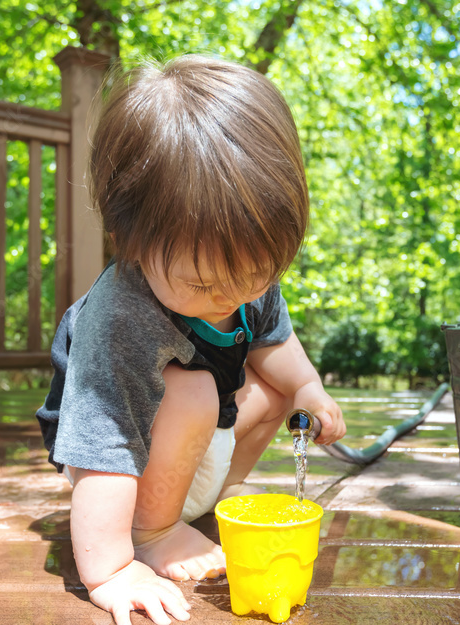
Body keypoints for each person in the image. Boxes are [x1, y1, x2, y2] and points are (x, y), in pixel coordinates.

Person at [36, 54, 346, 625]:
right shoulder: (121, 320)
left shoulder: (246, 271)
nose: (233, 296)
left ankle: (200, 502)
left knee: (273, 391)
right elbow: (102, 444)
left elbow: (275, 341)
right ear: (127, 239)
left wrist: (308, 389)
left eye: (255, 276)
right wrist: (110, 569)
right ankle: (152, 529)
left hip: (192, 441)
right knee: (195, 390)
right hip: (111, 458)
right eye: (203, 283)